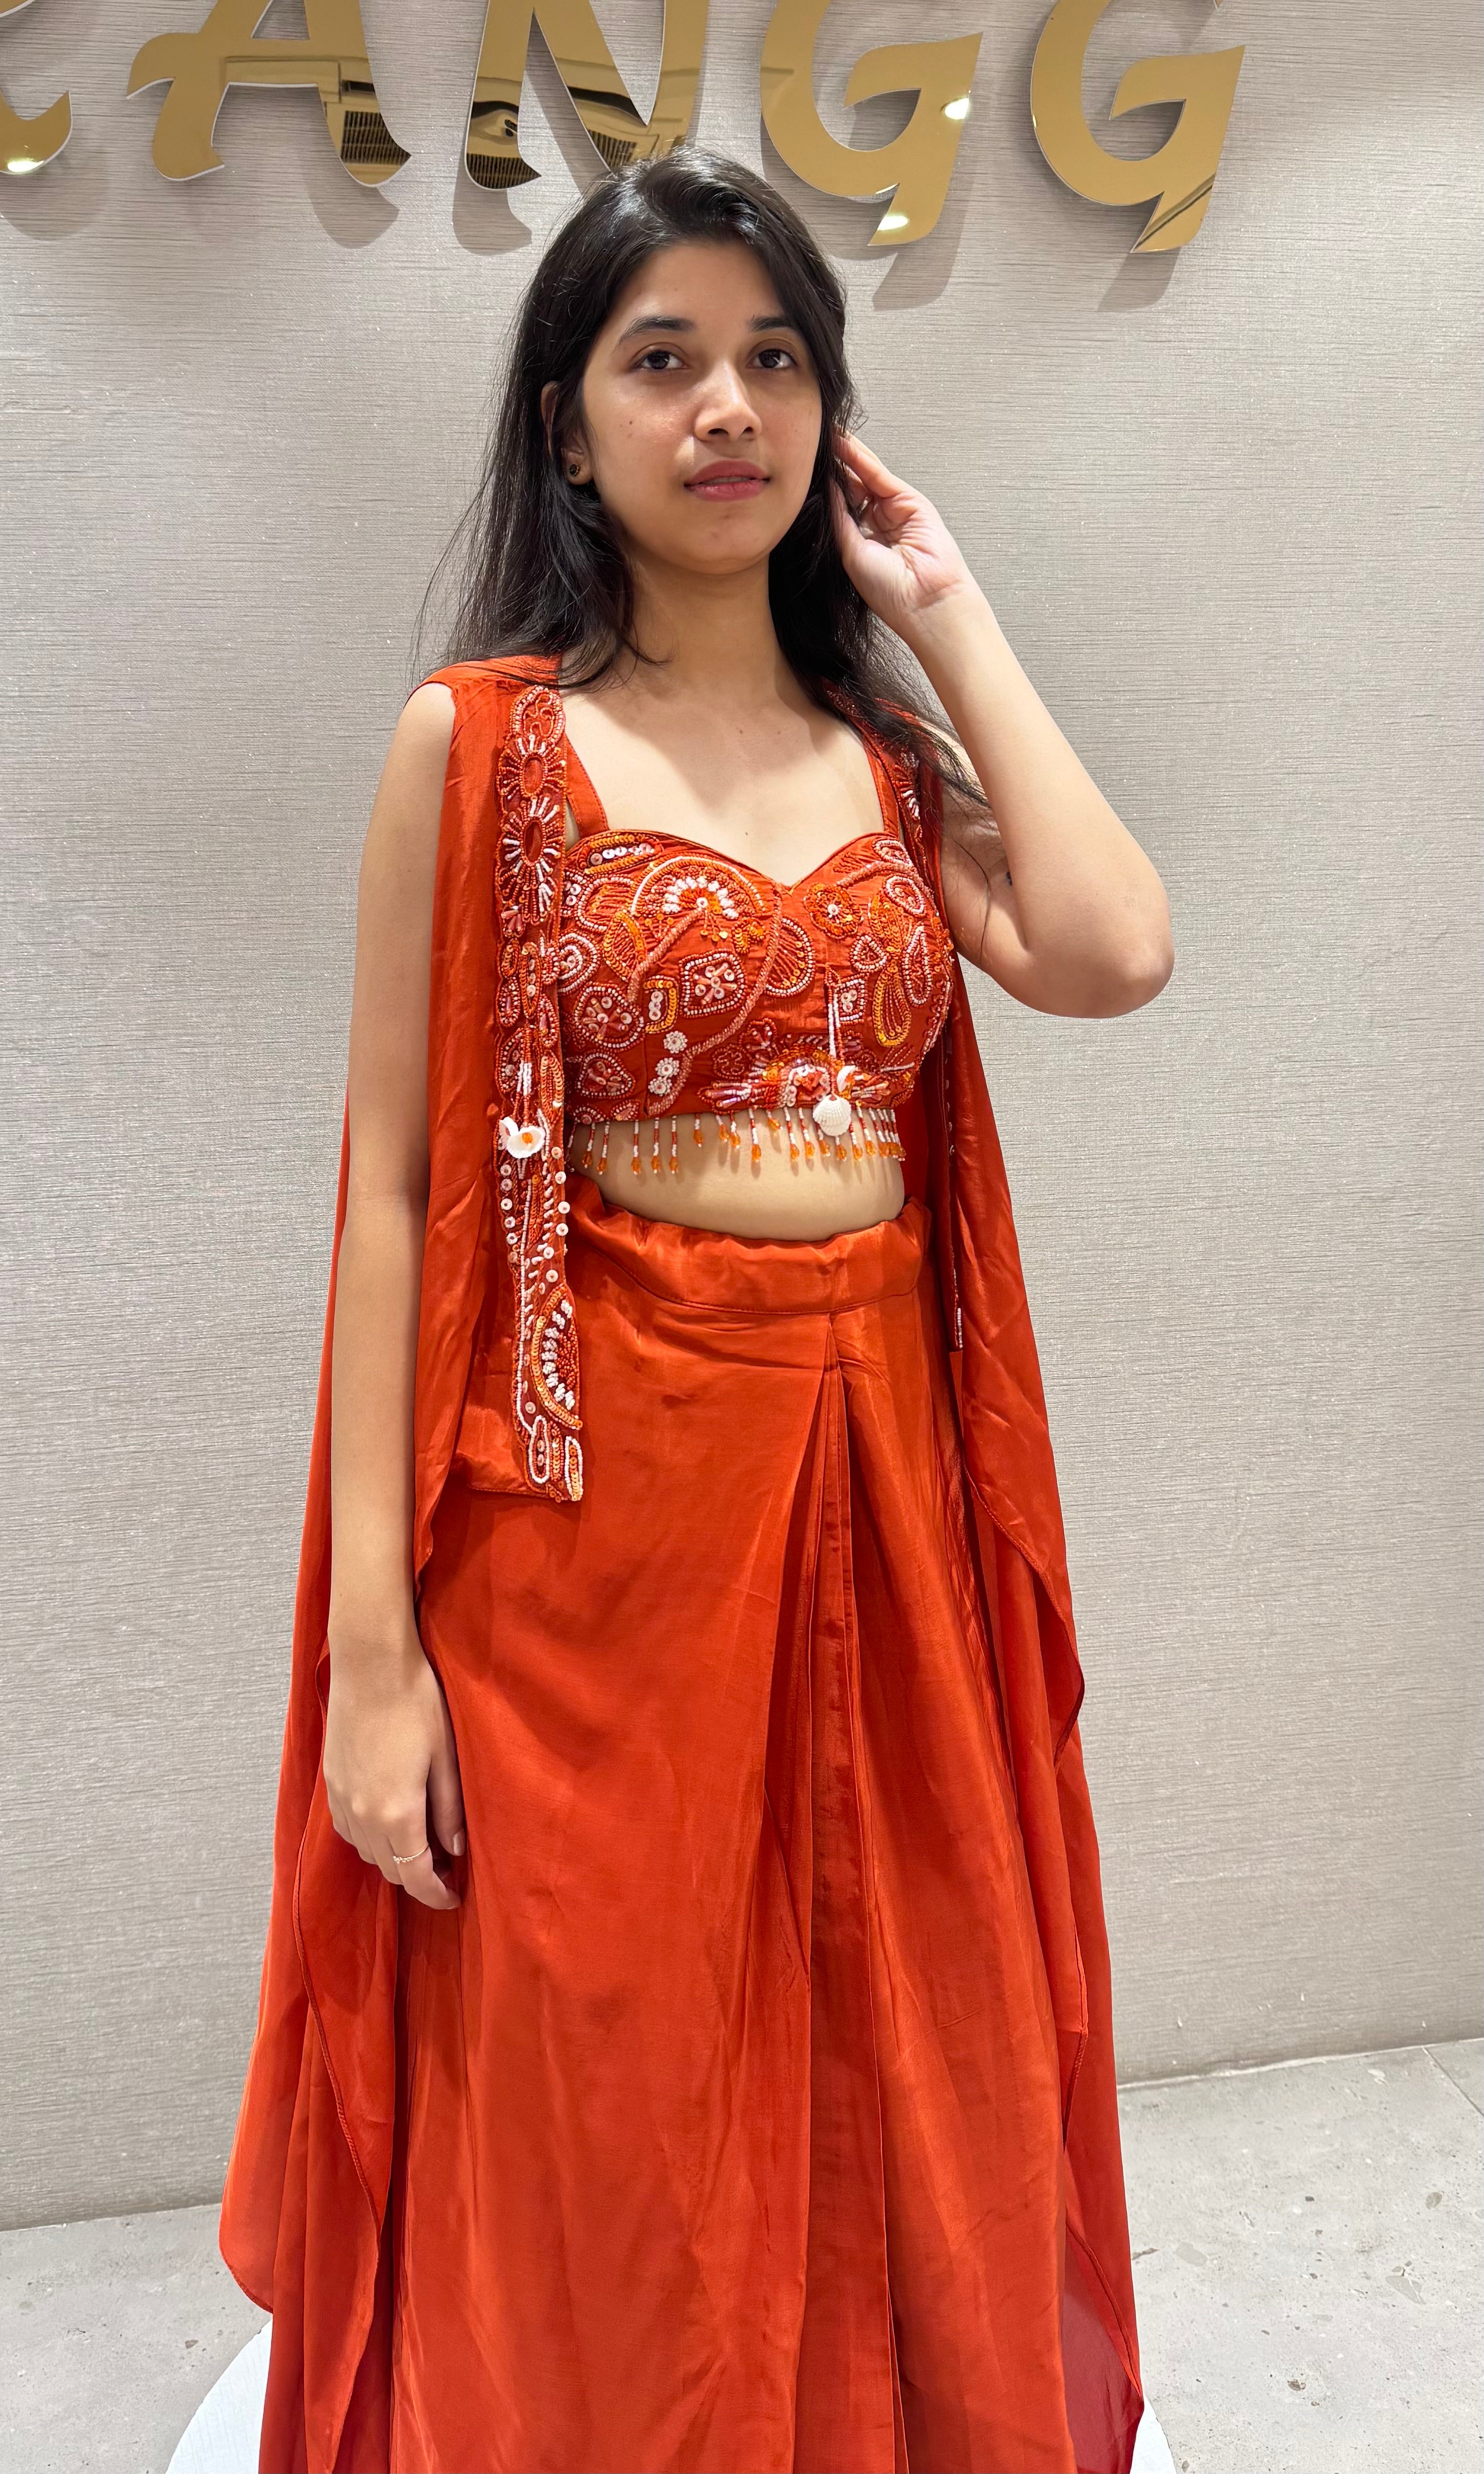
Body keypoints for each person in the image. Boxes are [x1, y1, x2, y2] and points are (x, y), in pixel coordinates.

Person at [218, 148, 1173, 2474]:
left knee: (898, 2028)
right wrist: (371, 1655)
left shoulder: (879, 765)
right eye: (662, 361)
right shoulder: (487, 743)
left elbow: (1114, 948)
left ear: (830, 415)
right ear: (569, 424)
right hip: (583, 1527)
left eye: (773, 358)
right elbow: (393, 1189)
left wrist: (947, 612)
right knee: (603, 2082)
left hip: (878, 1496)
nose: (723, 406)